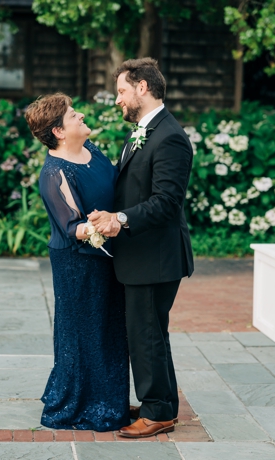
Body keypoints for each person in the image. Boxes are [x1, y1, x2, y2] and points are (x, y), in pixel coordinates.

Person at [89, 58, 194, 438]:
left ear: (142, 88)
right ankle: (160, 404)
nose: (117, 99)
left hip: (157, 256)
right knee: (150, 333)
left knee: (146, 334)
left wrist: (120, 220)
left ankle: (158, 413)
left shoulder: (170, 137)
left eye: (121, 91)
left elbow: (167, 202)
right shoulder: (144, 131)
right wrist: (111, 213)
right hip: (142, 255)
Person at [24, 93, 130, 432]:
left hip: (108, 256)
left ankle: (109, 399)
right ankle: (77, 403)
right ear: (58, 131)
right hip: (77, 263)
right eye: (72, 115)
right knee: (82, 330)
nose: (80, 115)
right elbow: (72, 226)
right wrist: (101, 224)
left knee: (109, 327)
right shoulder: (54, 172)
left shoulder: (93, 152)